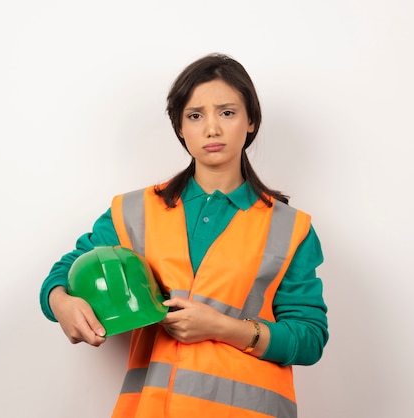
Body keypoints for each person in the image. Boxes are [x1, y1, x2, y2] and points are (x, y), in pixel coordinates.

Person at [39, 53, 328, 418]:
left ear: (251, 120)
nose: (212, 129)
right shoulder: (136, 211)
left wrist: (221, 327)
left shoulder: (290, 227)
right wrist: (60, 301)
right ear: (180, 127)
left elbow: (309, 338)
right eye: (195, 115)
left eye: (227, 112)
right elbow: (69, 269)